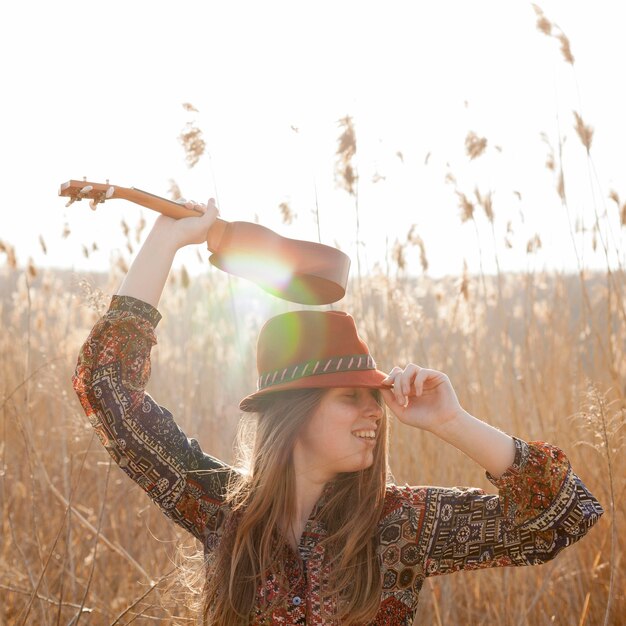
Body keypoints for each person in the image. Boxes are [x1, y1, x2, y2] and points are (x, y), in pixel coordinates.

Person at [73, 200, 603, 625]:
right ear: (293, 413)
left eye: (375, 395)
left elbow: (562, 515)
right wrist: (167, 239)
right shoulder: (221, 510)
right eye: (350, 396)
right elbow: (107, 389)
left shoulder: (400, 525)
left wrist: (452, 422)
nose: (374, 412)